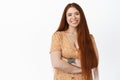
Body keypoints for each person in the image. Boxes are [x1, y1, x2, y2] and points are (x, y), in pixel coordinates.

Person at [50, 2, 99, 80]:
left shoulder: (89, 38)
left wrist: (68, 60)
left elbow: (94, 63)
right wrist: (82, 70)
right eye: (69, 15)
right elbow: (56, 63)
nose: (73, 17)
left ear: (81, 16)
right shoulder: (58, 36)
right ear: (65, 18)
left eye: (76, 14)